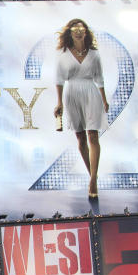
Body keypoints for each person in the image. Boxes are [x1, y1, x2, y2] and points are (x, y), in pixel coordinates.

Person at [53, 18, 109, 200]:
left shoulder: (94, 54)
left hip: (91, 91)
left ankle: (93, 180)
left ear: (86, 32)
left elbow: (99, 78)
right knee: (80, 137)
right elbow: (59, 80)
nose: (78, 32)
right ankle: (92, 173)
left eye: (81, 28)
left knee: (93, 134)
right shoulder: (63, 55)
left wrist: (104, 99)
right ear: (69, 33)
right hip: (72, 93)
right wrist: (59, 102)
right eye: (74, 29)